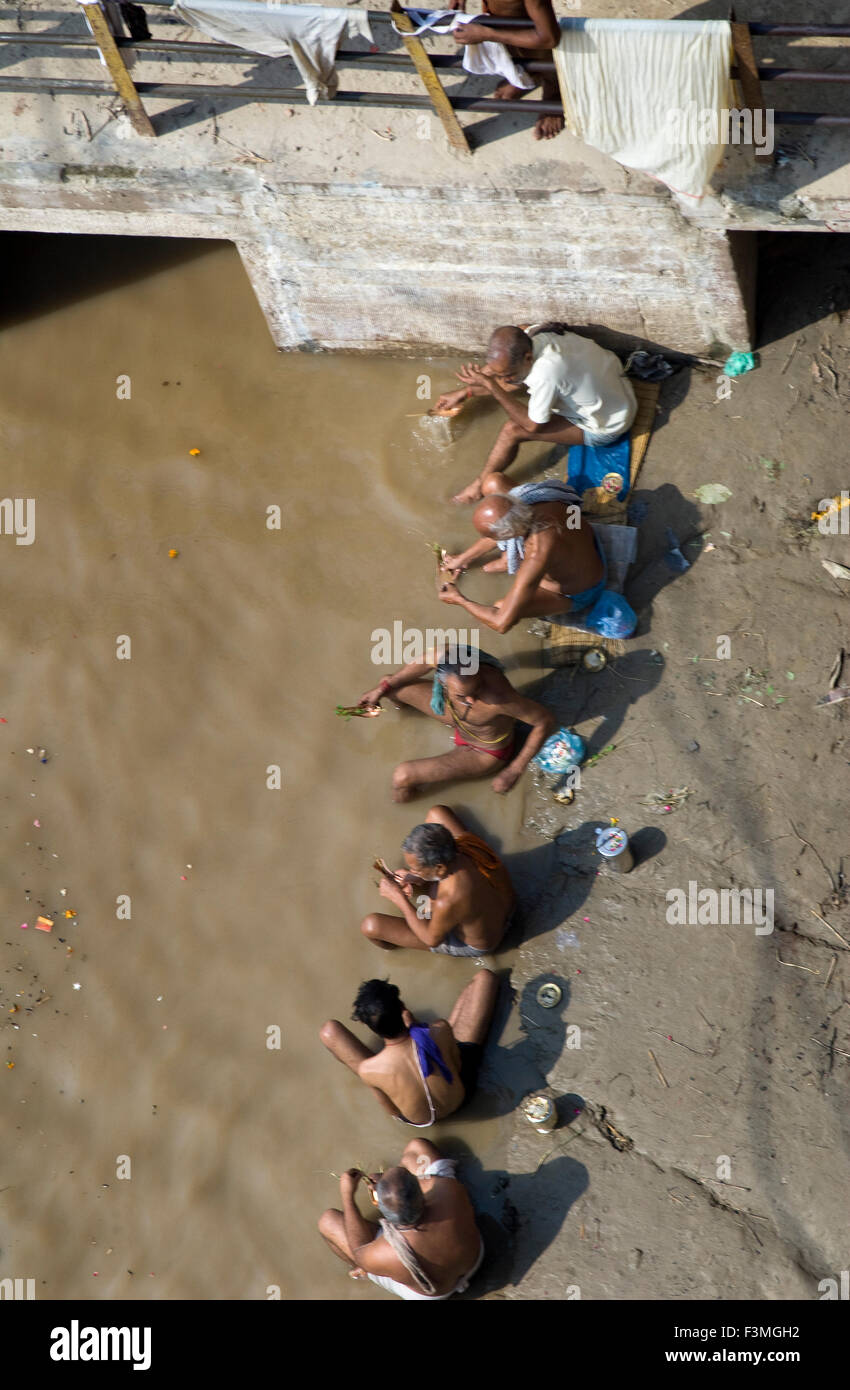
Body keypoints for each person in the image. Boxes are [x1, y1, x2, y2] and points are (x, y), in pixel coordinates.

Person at [438, 324, 637, 504]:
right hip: (620, 385)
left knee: (512, 430)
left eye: (507, 375)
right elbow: (506, 362)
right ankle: (503, 379)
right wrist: (465, 392)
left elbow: (532, 426)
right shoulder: (538, 333)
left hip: (609, 425)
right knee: (514, 378)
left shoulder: (546, 375)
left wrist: (490, 385)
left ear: (527, 357)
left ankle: (479, 486)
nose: (503, 379)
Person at [353, 648, 556, 801]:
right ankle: (403, 711)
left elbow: (545, 720)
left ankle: (402, 806)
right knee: (389, 684)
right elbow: (424, 661)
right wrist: (380, 690)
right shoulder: (446, 657)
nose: (471, 701)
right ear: (441, 681)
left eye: (476, 690)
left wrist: (514, 770)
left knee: (401, 777)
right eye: (462, 695)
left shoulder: (499, 697)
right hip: (455, 717)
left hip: (482, 751)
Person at [319, 971, 498, 1126]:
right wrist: (417, 1029)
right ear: (403, 1008)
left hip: (419, 1121)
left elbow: (393, 1111)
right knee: (485, 978)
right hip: (462, 1096)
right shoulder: (440, 1029)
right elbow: (457, 1065)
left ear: (372, 1028)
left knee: (329, 1031)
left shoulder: (368, 1070)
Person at [318, 1138, 484, 1300]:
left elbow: (359, 1251)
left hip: (436, 1293)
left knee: (327, 1221)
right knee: (418, 1146)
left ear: (379, 1206)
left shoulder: (384, 1253)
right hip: (475, 1260)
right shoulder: (447, 1190)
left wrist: (347, 1197)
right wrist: (391, 1188)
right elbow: (426, 1181)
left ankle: (359, 1271)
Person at [438, 477, 605, 631]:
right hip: (587, 544)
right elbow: (508, 528)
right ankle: (501, 560)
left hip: (581, 591)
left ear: (509, 536)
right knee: (493, 481)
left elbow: (501, 623)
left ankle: (504, 563)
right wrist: (463, 558)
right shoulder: (538, 501)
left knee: (501, 607)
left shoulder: (536, 555)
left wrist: (459, 599)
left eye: (489, 537)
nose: (485, 539)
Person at [362, 803, 515, 955]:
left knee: (371, 926)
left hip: (487, 939)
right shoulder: (467, 845)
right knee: (437, 812)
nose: (412, 871)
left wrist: (400, 898)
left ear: (440, 867)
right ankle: (426, 889)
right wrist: (417, 876)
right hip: (507, 905)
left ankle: (400, 945)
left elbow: (431, 939)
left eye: (416, 868)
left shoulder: (447, 900)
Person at [449, 0, 562, 141]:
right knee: (510, 41)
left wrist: (487, 34)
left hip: (531, 29)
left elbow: (548, 38)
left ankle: (554, 92)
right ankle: (528, 74)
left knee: (538, 52)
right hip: (501, 18)